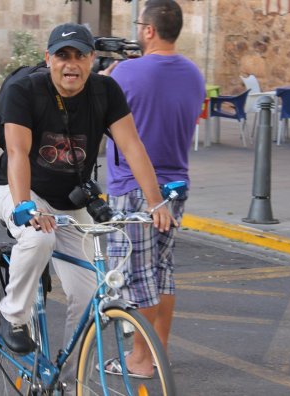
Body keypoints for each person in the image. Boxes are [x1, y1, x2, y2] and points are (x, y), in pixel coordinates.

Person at [0, 22, 175, 368]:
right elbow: (17, 153)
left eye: (80, 55)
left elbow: (132, 146)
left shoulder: (105, 92)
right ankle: (13, 316)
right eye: (63, 56)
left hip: (71, 204)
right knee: (37, 239)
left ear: (92, 59)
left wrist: (156, 202)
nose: (71, 64)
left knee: (89, 292)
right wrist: (25, 207)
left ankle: (70, 378)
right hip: (21, 191)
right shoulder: (24, 91)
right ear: (48, 59)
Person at [104, 0, 206, 378]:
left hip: (134, 186)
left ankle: (140, 360)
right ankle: (159, 354)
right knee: (163, 272)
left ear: (148, 30)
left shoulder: (126, 73)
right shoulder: (194, 74)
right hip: (177, 184)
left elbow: (103, 116)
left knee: (137, 275)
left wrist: (110, 75)